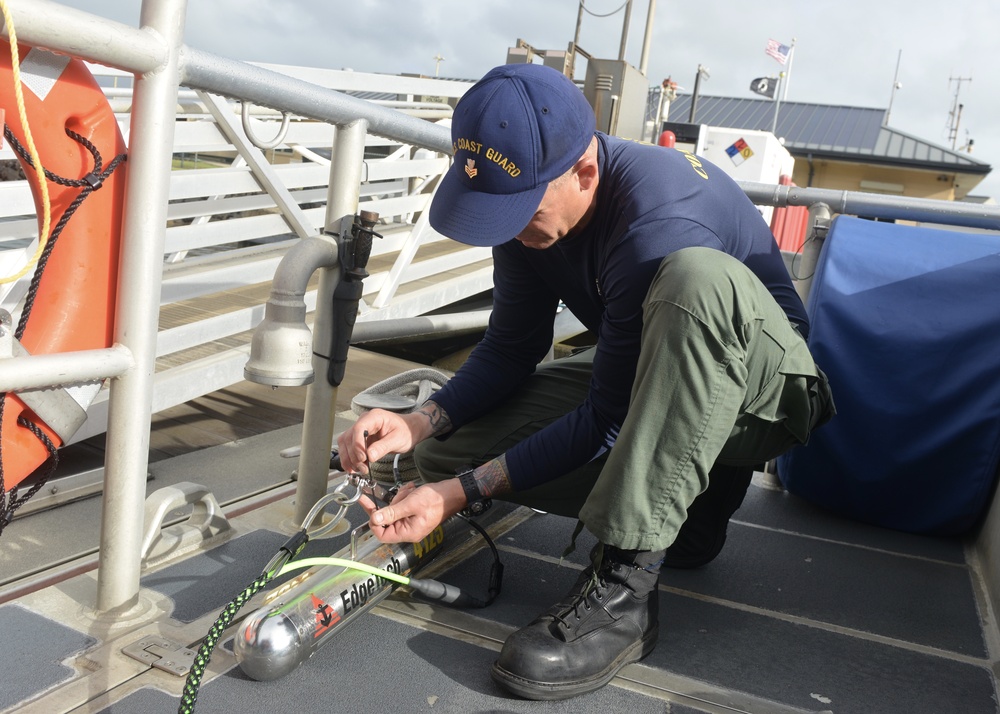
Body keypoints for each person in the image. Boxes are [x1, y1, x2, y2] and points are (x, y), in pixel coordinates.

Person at [336, 62, 834, 701]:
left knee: (693, 282)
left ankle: (626, 589)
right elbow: (512, 347)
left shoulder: (658, 219)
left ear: (585, 172)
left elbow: (609, 418)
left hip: (763, 398)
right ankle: (694, 507)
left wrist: (462, 495)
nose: (510, 231)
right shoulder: (527, 200)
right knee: (439, 454)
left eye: (519, 212)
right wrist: (418, 421)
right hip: (654, 374)